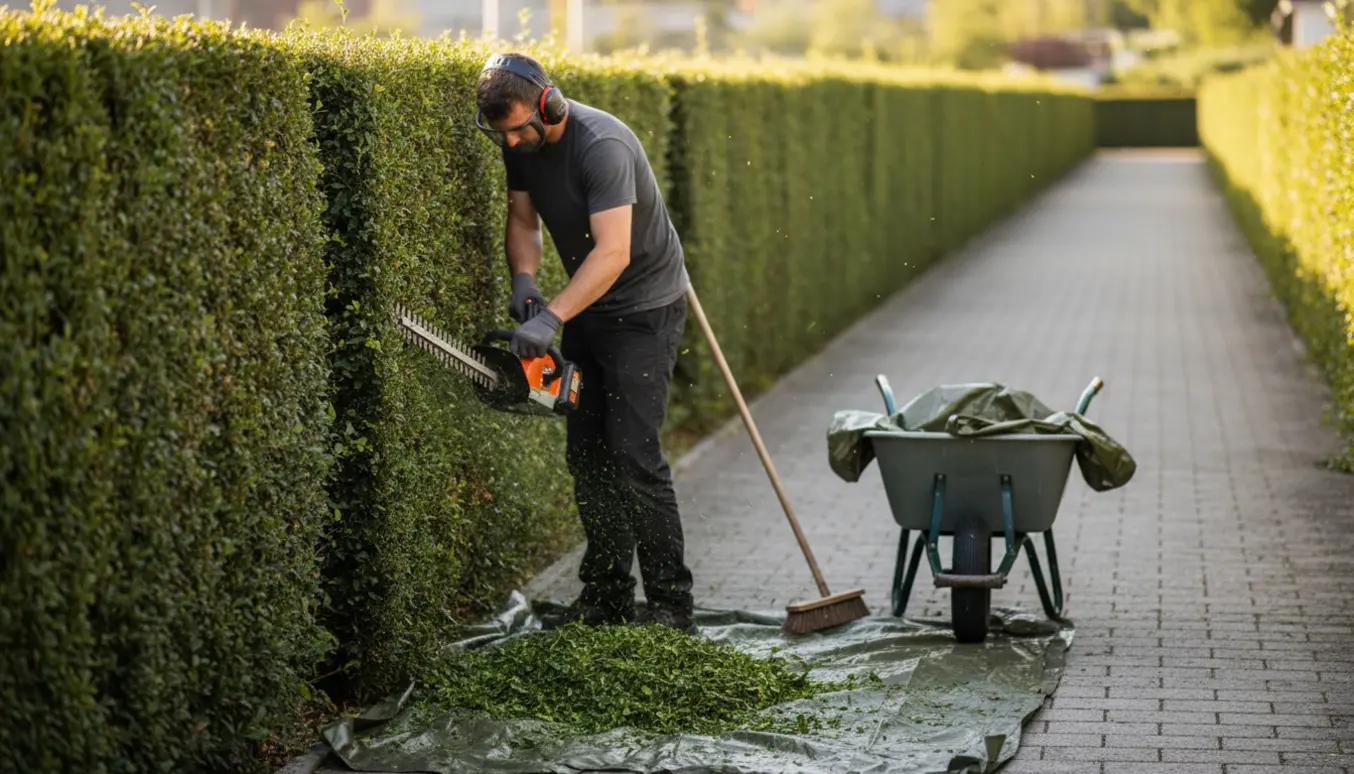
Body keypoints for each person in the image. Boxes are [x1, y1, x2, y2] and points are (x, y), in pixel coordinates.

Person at [473, 52, 697, 634]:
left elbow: (613, 253)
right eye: (504, 133)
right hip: (588, 308)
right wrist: (524, 282)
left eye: (523, 126)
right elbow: (523, 221)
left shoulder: (603, 146)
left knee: (634, 456)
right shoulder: (516, 142)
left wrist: (550, 319)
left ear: (549, 101)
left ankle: (672, 607)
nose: (516, 140)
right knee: (587, 456)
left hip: (645, 312)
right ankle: (606, 598)